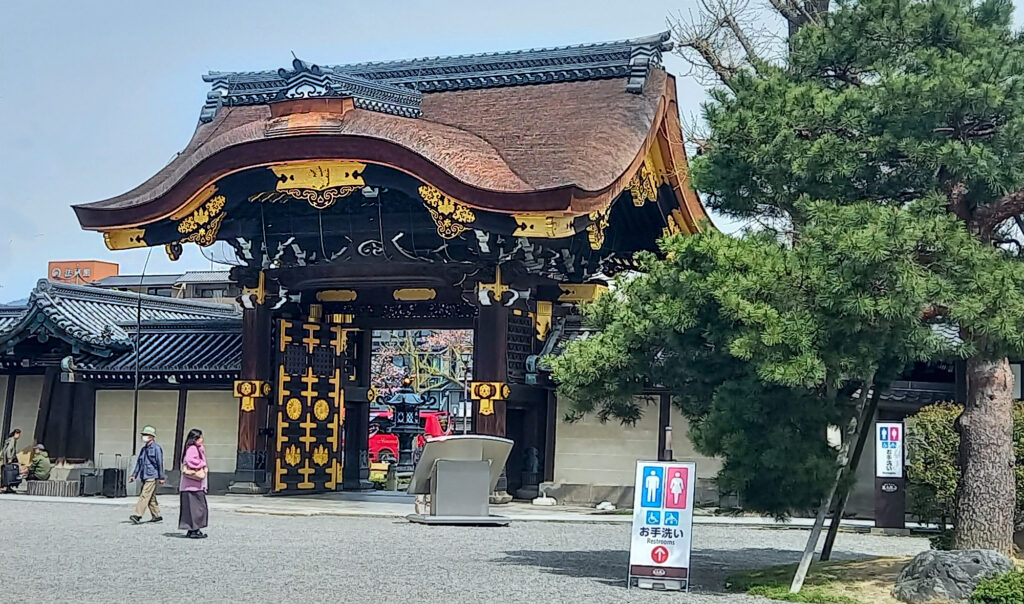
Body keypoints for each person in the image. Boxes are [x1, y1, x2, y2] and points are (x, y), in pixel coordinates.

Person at [129, 425, 165, 524]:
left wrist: (161, 477)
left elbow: (159, 463)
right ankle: (156, 515)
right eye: (143, 434)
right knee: (151, 497)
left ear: (152, 436)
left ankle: (138, 515)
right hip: (144, 475)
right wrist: (134, 475)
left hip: (152, 476)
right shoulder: (143, 449)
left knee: (144, 495)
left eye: (146, 435)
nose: (144, 437)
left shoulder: (156, 448)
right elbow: (139, 463)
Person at [178, 428, 209, 539]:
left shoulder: (194, 448)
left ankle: (192, 529)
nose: (202, 439)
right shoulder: (192, 448)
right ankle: (194, 530)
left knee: (192, 508)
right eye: (200, 437)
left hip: (191, 485)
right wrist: (202, 463)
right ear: (195, 439)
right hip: (192, 485)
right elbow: (190, 460)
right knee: (198, 508)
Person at [2, 428, 22, 493]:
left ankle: (8, 487)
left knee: (7, 473)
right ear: (16, 434)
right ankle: (7, 486)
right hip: (6, 459)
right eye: (19, 434)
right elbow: (8, 450)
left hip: (5, 459)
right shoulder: (12, 440)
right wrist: (9, 458)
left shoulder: (11, 440)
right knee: (8, 473)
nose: (19, 436)